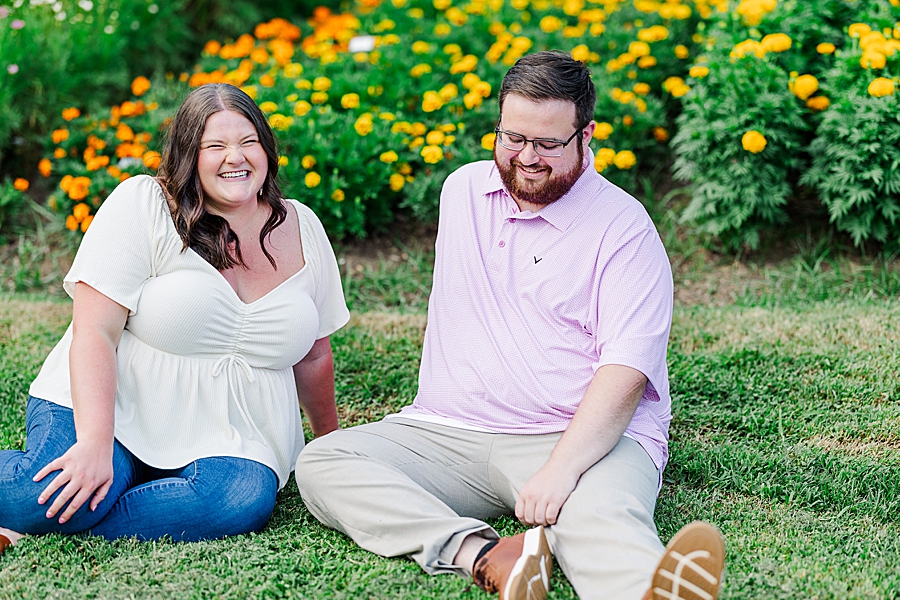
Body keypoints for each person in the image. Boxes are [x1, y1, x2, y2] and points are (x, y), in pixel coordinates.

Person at [295, 51, 725, 600]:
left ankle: (646, 590)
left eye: (547, 144)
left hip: (576, 434)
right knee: (325, 462)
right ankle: (487, 555)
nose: (527, 158)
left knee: (597, 517)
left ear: (585, 135)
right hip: (447, 431)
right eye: (513, 138)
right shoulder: (463, 192)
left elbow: (627, 373)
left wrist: (561, 469)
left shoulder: (624, 229)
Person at [0, 83, 349, 550]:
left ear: (268, 150)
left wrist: (331, 450)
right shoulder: (144, 205)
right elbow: (95, 332)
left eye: (249, 142)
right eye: (216, 146)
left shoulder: (302, 226)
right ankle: (52, 511)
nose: (236, 157)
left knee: (237, 499)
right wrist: (95, 444)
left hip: (232, 431)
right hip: (114, 409)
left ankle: (62, 523)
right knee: (46, 494)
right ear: (190, 154)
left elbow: (313, 355)